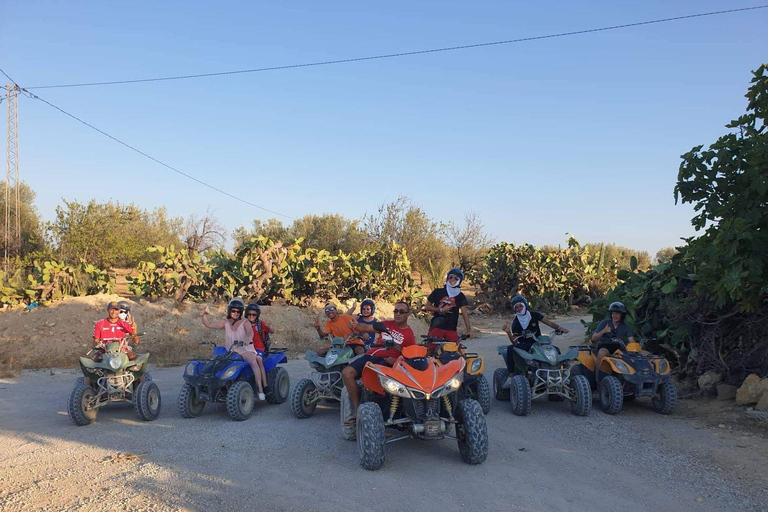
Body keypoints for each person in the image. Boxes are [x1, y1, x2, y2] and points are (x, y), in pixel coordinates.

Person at [341, 301, 416, 424]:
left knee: (376, 387)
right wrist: (355, 325)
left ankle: (382, 414)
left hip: (386, 361)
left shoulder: (409, 334)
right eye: (395, 311)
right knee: (347, 372)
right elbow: (365, 327)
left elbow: (410, 354)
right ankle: (356, 410)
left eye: (401, 312)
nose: (397, 314)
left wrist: (397, 359)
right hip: (370, 355)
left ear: (408, 314)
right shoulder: (386, 324)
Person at [201, 298, 267, 401]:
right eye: (233, 311)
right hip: (230, 351)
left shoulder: (245, 322)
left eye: (238, 311)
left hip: (245, 349)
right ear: (229, 311)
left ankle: (260, 389)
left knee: (253, 362)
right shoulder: (225, 323)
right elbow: (208, 324)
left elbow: (250, 332)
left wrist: (248, 338)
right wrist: (203, 315)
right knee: (216, 363)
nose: (236, 313)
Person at [501, 295, 569, 375]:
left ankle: (561, 371)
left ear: (525, 306)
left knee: (555, 349)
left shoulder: (534, 315)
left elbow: (549, 323)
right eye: (517, 308)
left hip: (539, 342)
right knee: (511, 349)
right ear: (514, 309)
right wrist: (508, 332)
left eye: (521, 306)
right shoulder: (516, 323)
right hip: (525, 345)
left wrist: (560, 328)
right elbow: (515, 342)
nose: (519, 309)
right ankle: (511, 375)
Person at [591, 301, 647, 375]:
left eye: (618, 313)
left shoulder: (625, 326)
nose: (615, 316)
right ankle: (597, 377)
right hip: (605, 346)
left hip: (619, 348)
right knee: (602, 353)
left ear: (622, 315)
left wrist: (637, 348)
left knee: (644, 354)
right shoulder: (605, 323)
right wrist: (604, 331)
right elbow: (593, 339)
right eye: (613, 313)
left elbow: (631, 340)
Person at [423, 268, 474, 349]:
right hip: (437, 326)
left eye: (456, 278)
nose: (453, 280)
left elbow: (465, 314)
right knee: (431, 349)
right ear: (447, 278)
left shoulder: (460, 296)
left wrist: (469, 330)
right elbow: (427, 306)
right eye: (451, 277)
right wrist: (440, 310)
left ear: (460, 280)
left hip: (451, 328)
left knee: (455, 351)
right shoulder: (438, 292)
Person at [245, 303, 270, 393]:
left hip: (259, 349)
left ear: (257, 315)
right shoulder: (244, 324)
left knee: (258, 359)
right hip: (247, 349)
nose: (251, 316)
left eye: (254, 314)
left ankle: (265, 385)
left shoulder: (261, 324)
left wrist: (269, 327)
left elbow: (272, 331)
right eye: (249, 314)